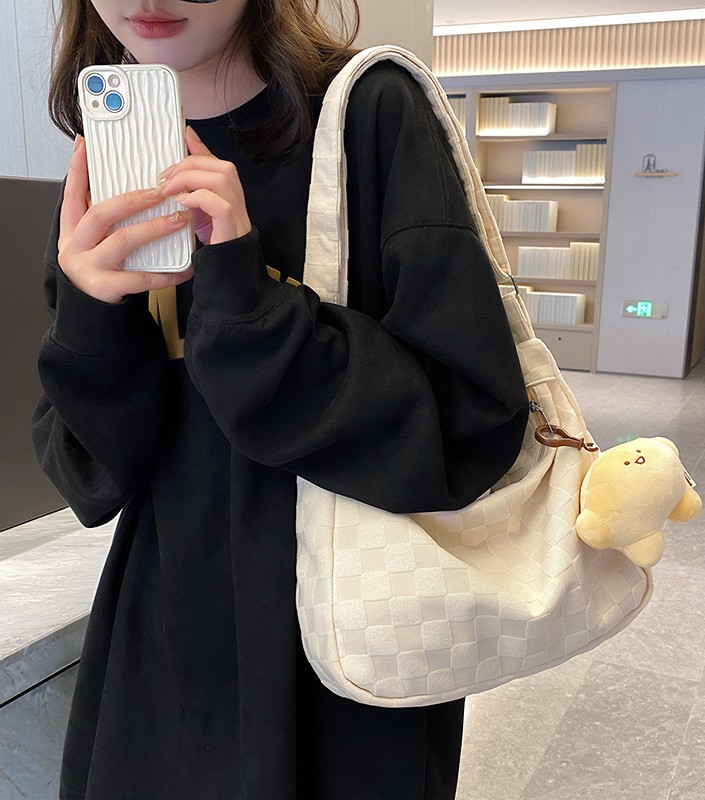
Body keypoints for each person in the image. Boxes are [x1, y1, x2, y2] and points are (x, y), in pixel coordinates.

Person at [34, 1, 530, 798]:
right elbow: (87, 472)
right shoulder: (111, 153)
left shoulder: (369, 112)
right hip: (164, 655)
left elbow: (469, 427)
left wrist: (247, 301)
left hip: (348, 655)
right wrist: (93, 321)